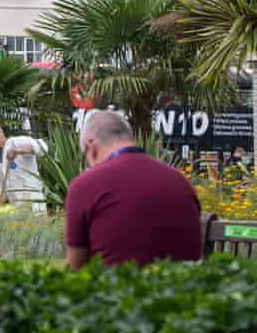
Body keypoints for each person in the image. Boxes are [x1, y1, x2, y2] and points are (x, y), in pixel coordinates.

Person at [66, 111, 202, 270]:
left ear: (91, 147)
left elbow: (75, 267)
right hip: (181, 289)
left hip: (115, 290)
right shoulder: (180, 182)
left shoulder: (86, 185)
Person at [0, 124, 48, 212]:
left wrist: (18, 151)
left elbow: (43, 147)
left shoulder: (17, 142)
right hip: (16, 208)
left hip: (34, 204)